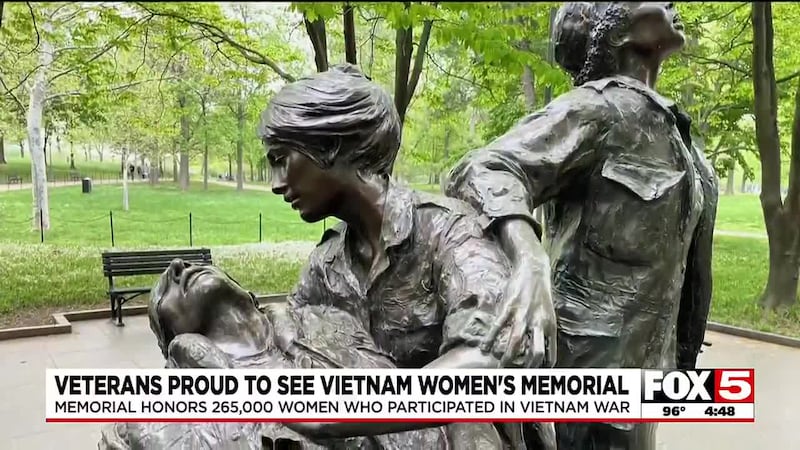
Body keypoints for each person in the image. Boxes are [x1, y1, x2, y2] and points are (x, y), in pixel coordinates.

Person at [443, 2, 718, 449]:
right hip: (584, 374)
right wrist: (528, 259)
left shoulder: (673, 130)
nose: (670, 3)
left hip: (647, 371)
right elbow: (482, 169)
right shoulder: (596, 110)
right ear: (613, 30)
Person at [258, 64, 555, 449]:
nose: (276, 184)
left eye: (283, 159)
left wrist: (349, 417)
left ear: (330, 146)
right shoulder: (327, 264)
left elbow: (489, 361)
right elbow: (291, 338)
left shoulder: (447, 230)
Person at [100, 259, 474, 449]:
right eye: (163, 291)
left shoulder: (328, 319)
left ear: (249, 295)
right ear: (172, 343)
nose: (178, 268)